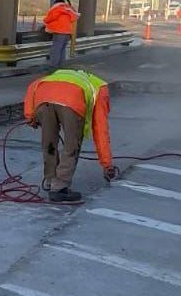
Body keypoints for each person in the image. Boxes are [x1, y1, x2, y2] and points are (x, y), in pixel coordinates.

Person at [23, 67, 117, 203]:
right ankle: (59, 187)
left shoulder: (58, 76)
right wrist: (107, 165)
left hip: (43, 98)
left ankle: (50, 180)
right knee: (71, 145)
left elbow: (34, 86)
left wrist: (30, 115)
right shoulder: (100, 87)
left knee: (49, 142)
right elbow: (100, 129)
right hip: (72, 102)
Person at [43, 0, 79, 68]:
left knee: (55, 50)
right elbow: (75, 16)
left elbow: (51, 16)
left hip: (59, 31)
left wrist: (45, 20)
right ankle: (61, 67)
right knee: (62, 50)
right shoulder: (68, 6)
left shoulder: (58, 6)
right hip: (67, 31)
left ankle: (53, 67)